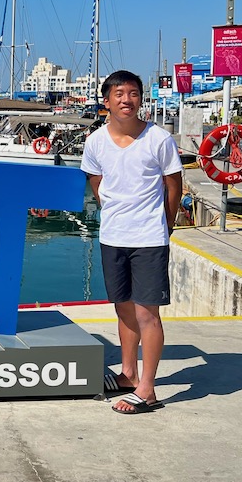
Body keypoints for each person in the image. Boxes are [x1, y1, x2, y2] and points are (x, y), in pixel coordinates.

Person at [80, 71, 182, 414]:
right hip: (113, 235)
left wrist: (165, 225)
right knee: (123, 308)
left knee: (146, 313)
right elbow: (96, 181)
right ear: (106, 100)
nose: (127, 99)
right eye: (119, 93)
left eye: (133, 93)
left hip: (149, 238)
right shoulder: (95, 141)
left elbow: (173, 186)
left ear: (141, 99)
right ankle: (128, 373)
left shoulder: (159, 139)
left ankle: (148, 389)